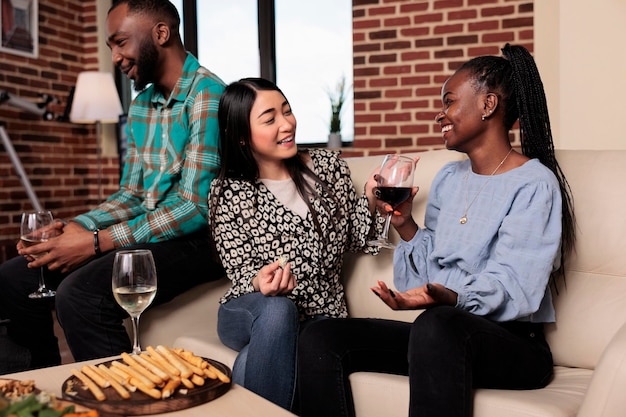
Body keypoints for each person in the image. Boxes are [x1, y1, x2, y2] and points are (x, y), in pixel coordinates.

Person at [296, 44, 577, 417]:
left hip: (513, 345)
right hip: (442, 334)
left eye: (449, 102)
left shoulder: (534, 184)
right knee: (322, 335)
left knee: (437, 323)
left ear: (487, 105)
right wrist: (406, 225)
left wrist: (449, 297)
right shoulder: (448, 177)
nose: (439, 114)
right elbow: (432, 271)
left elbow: (515, 286)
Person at [0, 0, 225, 370]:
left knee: (79, 295)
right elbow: (132, 194)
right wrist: (79, 227)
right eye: (110, 47)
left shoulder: (208, 95)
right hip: (152, 232)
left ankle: (122, 397)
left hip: (200, 241)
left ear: (161, 33)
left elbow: (195, 208)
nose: (116, 57)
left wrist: (94, 243)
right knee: (15, 276)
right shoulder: (140, 106)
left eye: (121, 42)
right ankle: (47, 384)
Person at [208, 77, 381, 410]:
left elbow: (355, 240)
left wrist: (371, 198)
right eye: (269, 118)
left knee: (253, 362)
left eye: (286, 111)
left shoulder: (330, 168)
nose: (286, 124)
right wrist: (260, 281)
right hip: (248, 310)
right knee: (277, 309)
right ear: (242, 135)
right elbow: (240, 271)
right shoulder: (227, 190)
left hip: (322, 317)